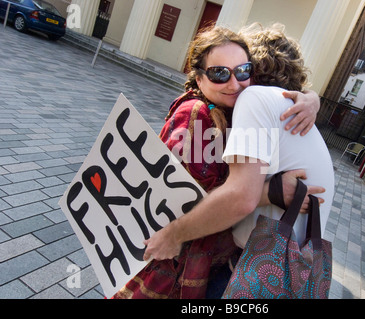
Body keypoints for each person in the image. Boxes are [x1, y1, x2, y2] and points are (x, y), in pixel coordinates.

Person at [112, 25, 324, 299]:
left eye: (243, 71)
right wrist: (268, 191)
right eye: (219, 73)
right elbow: (185, 201)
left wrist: (312, 100)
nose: (234, 83)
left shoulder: (231, 113)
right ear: (199, 79)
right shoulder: (196, 115)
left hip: (201, 257)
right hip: (175, 257)